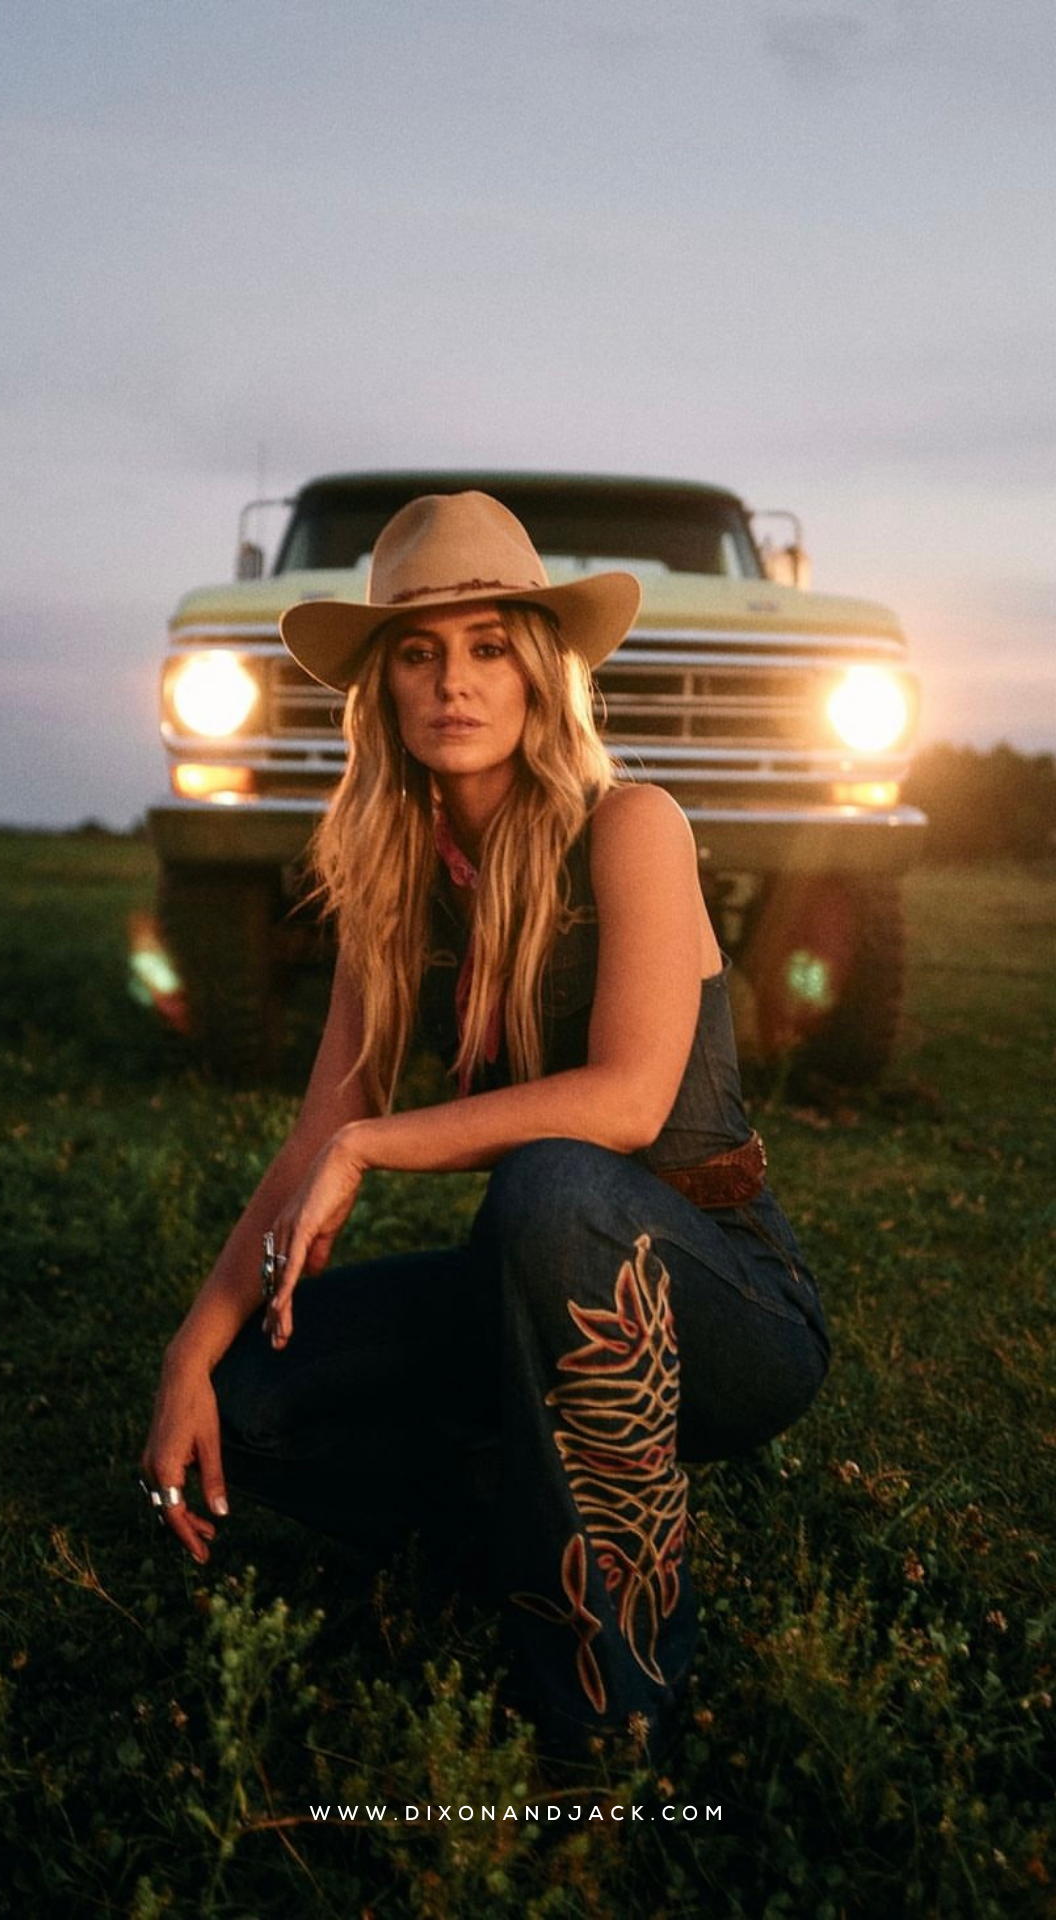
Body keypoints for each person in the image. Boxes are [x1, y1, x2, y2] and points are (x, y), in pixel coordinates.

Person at [140, 490, 830, 1761]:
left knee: (554, 1188)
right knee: (248, 1405)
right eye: (418, 652)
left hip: (727, 1302)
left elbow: (627, 1101)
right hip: (527, 1286)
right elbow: (314, 1136)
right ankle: (525, 1536)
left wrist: (373, 1146)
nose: (453, 681)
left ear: (537, 674)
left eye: (488, 647)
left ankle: (609, 1706)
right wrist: (189, 1349)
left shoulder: (635, 827)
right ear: (383, 692)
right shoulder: (395, 883)